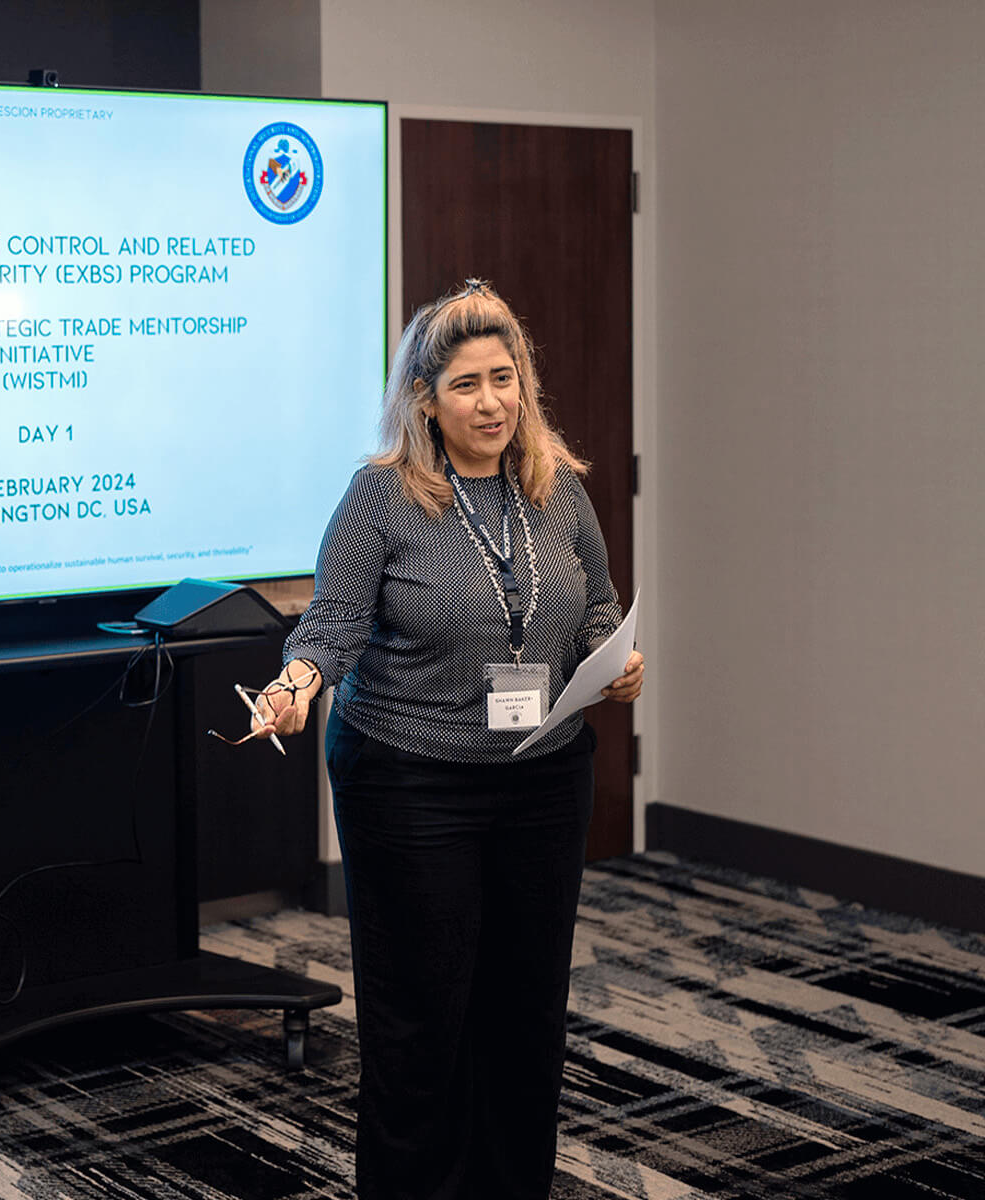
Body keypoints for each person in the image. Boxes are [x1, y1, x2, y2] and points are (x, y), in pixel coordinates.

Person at [249, 281, 644, 1199]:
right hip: (409, 784)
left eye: (505, 379)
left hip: (543, 779)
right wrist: (293, 685)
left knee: (526, 1008)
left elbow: (594, 606)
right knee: (423, 1015)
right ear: (425, 397)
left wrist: (612, 659)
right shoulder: (380, 498)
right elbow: (333, 624)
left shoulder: (557, 486)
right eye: (467, 384)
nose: (492, 402)